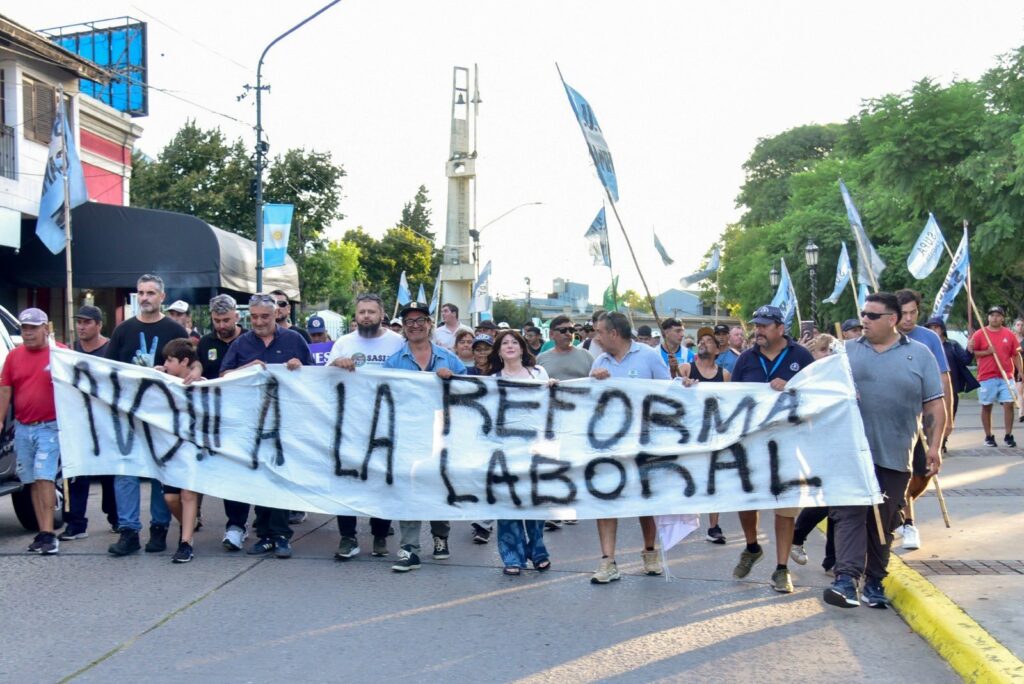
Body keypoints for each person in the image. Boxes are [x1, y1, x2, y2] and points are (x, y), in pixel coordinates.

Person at [825, 292, 944, 609]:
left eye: (872, 315)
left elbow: (934, 403)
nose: (864, 319)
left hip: (895, 453)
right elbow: (818, 392)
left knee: (884, 522)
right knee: (849, 515)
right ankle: (846, 581)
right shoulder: (845, 352)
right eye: (863, 314)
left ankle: (874, 580)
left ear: (892, 320)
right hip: (850, 454)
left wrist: (934, 446)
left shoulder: (919, 355)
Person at [729, 305, 815, 594]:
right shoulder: (745, 359)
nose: (759, 330)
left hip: (788, 444)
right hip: (752, 443)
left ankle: (781, 569)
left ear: (781, 328)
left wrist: (791, 386)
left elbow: (816, 396)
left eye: (765, 325)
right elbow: (729, 399)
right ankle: (752, 546)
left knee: (785, 505)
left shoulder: (801, 357)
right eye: (756, 325)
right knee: (746, 500)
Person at [220, 293, 314, 559]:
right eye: (254, 317)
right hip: (252, 423)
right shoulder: (241, 344)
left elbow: (315, 377)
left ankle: (282, 536)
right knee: (260, 477)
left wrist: (300, 367)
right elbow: (224, 377)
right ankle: (264, 536)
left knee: (282, 477)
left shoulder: (295, 339)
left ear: (276, 315)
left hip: (287, 421)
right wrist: (247, 367)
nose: (259, 321)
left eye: (264, 316)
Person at [106, 275, 189, 557]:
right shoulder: (123, 330)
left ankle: (159, 528)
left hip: (162, 414)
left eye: (151, 293)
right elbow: (107, 370)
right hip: (129, 413)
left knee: (158, 472)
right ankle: (128, 530)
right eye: (141, 293)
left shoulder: (174, 329)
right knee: (126, 471)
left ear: (162, 297)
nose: (145, 298)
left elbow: (192, 363)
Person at [383, 302, 466, 571]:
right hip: (408, 435)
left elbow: (469, 395)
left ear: (429, 324)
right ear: (403, 327)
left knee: (438, 485)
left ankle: (440, 537)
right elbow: (381, 396)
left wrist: (451, 379)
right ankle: (409, 548)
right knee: (410, 487)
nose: (414, 325)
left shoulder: (448, 359)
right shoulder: (393, 362)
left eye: (420, 320)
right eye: (409, 321)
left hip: (443, 435)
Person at [588, 311, 670, 583]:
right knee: (606, 500)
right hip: (609, 446)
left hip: (645, 442)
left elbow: (669, 393)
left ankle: (649, 552)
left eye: (599, 332)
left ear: (613, 333)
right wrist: (594, 382)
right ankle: (607, 561)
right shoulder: (599, 361)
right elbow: (588, 404)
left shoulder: (649, 356)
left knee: (644, 500)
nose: (595, 337)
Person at [326, 293, 405, 559]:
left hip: (384, 425)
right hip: (349, 423)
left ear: (382, 314)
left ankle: (380, 535)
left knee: (381, 480)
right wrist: (336, 364)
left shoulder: (397, 343)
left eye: (372, 312)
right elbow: (321, 379)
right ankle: (348, 537)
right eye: (362, 312)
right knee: (345, 480)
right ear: (356, 315)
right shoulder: (344, 343)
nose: (366, 317)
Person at [894, 289, 953, 552]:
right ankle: (908, 522)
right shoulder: (886, 337)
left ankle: (898, 506)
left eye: (913, 313)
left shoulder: (928, 338)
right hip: (896, 420)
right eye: (903, 313)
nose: (908, 319)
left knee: (924, 472)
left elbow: (943, 380)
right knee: (903, 473)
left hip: (925, 416)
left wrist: (947, 417)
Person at [489, 329, 551, 575]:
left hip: (535, 448)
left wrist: (553, 388)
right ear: (499, 351)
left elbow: (550, 404)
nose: (510, 346)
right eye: (505, 343)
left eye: (515, 342)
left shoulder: (539, 374)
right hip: (504, 450)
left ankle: (538, 551)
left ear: (523, 348)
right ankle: (512, 557)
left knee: (534, 501)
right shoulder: (492, 380)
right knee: (508, 502)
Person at [0, 309, 63, 554]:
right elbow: (5, 389)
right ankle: (42, 532)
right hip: (23, 428)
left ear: (45, 328)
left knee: (44, 477)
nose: (28, 332)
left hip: (49, 426)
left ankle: (49, 534)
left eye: (33, 328)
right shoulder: (14, 357)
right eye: (24, 328)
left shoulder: (59, 354)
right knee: (31, 482)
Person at [195, 294, 252, 551]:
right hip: (215, 419)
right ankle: (227, 523)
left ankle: (246, 524)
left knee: (245, 473)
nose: (221, 325)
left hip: (247, 417)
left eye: (226, 319)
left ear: (237, 317)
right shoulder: (205, 342)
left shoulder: (249, 340)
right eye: (216, 320)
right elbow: (197, 368)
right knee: (221, 472)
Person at [62, 305, 118, 540]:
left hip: (106, 422)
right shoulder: (69, 353)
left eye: (87, 322)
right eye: (79, 322)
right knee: (78, 472)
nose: (81, 326)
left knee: (110, 473)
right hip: (79, 421)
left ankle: (116, 517)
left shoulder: (110, 349)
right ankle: (76, 523)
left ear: (98, 324)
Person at [790, 334, 838, 571]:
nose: (828, 354)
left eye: (831, 350)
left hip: (838, 444)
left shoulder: (839, 377)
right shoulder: (806, 379)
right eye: (823, 350)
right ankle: (797, 535)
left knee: (839, 501)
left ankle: (833, 558)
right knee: (827, 499)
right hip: (815, 445)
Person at [678, 327, 731, 545]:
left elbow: (729, 403)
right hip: (689, 432)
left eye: (709, 341)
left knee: (714, 479)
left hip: (713, 433)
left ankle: (713, 526)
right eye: (701, 340)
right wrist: (682, 383)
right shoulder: (686, 368)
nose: (703, 343)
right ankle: (683, 519)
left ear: (717, 350)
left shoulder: (724, 375)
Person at [157, 338, 203, 563]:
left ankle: (186, 542)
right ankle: (189, 523)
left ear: (185, 362)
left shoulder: (201, 383)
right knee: (170, 498)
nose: (165, 364)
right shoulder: (162, 381)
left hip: (192, 448)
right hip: (170, 449)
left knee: (188, 494)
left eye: (170, 360)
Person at [969, 306, 1022, 449]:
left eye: (998, 315)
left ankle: (1008, 435)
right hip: (986, 376)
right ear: (988, 317)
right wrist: (987, 351)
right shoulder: (980, 334)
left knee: (1009, 404)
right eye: (992, 315)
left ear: (1003, 318)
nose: (995, 318)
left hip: (1006, 376)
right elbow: (972, 353)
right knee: (986, 406)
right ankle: (988, 436)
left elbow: (1016, 355)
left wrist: (1021, 371)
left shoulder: (1009, 334)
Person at [926, 317, 979, 451]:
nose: (933, 330)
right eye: (930, 328)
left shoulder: (952, 345)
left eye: (936, 327)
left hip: (951, 387)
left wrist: (969, 349)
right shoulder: (924, 346)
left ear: (942, 329)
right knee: (930, 417)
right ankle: (931, 443)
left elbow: (965, 360)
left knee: (948, 415)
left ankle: (943, 440)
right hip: (930, 389)